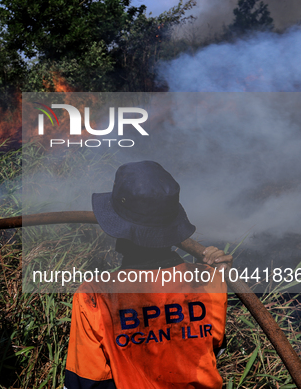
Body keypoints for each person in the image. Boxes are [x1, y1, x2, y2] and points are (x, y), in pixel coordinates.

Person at [64, 161, 233, 389]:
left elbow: (86, 382)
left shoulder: (94, 296)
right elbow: (213, 350)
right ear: (172, 225)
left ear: (117, 227)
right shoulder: (210, 280)